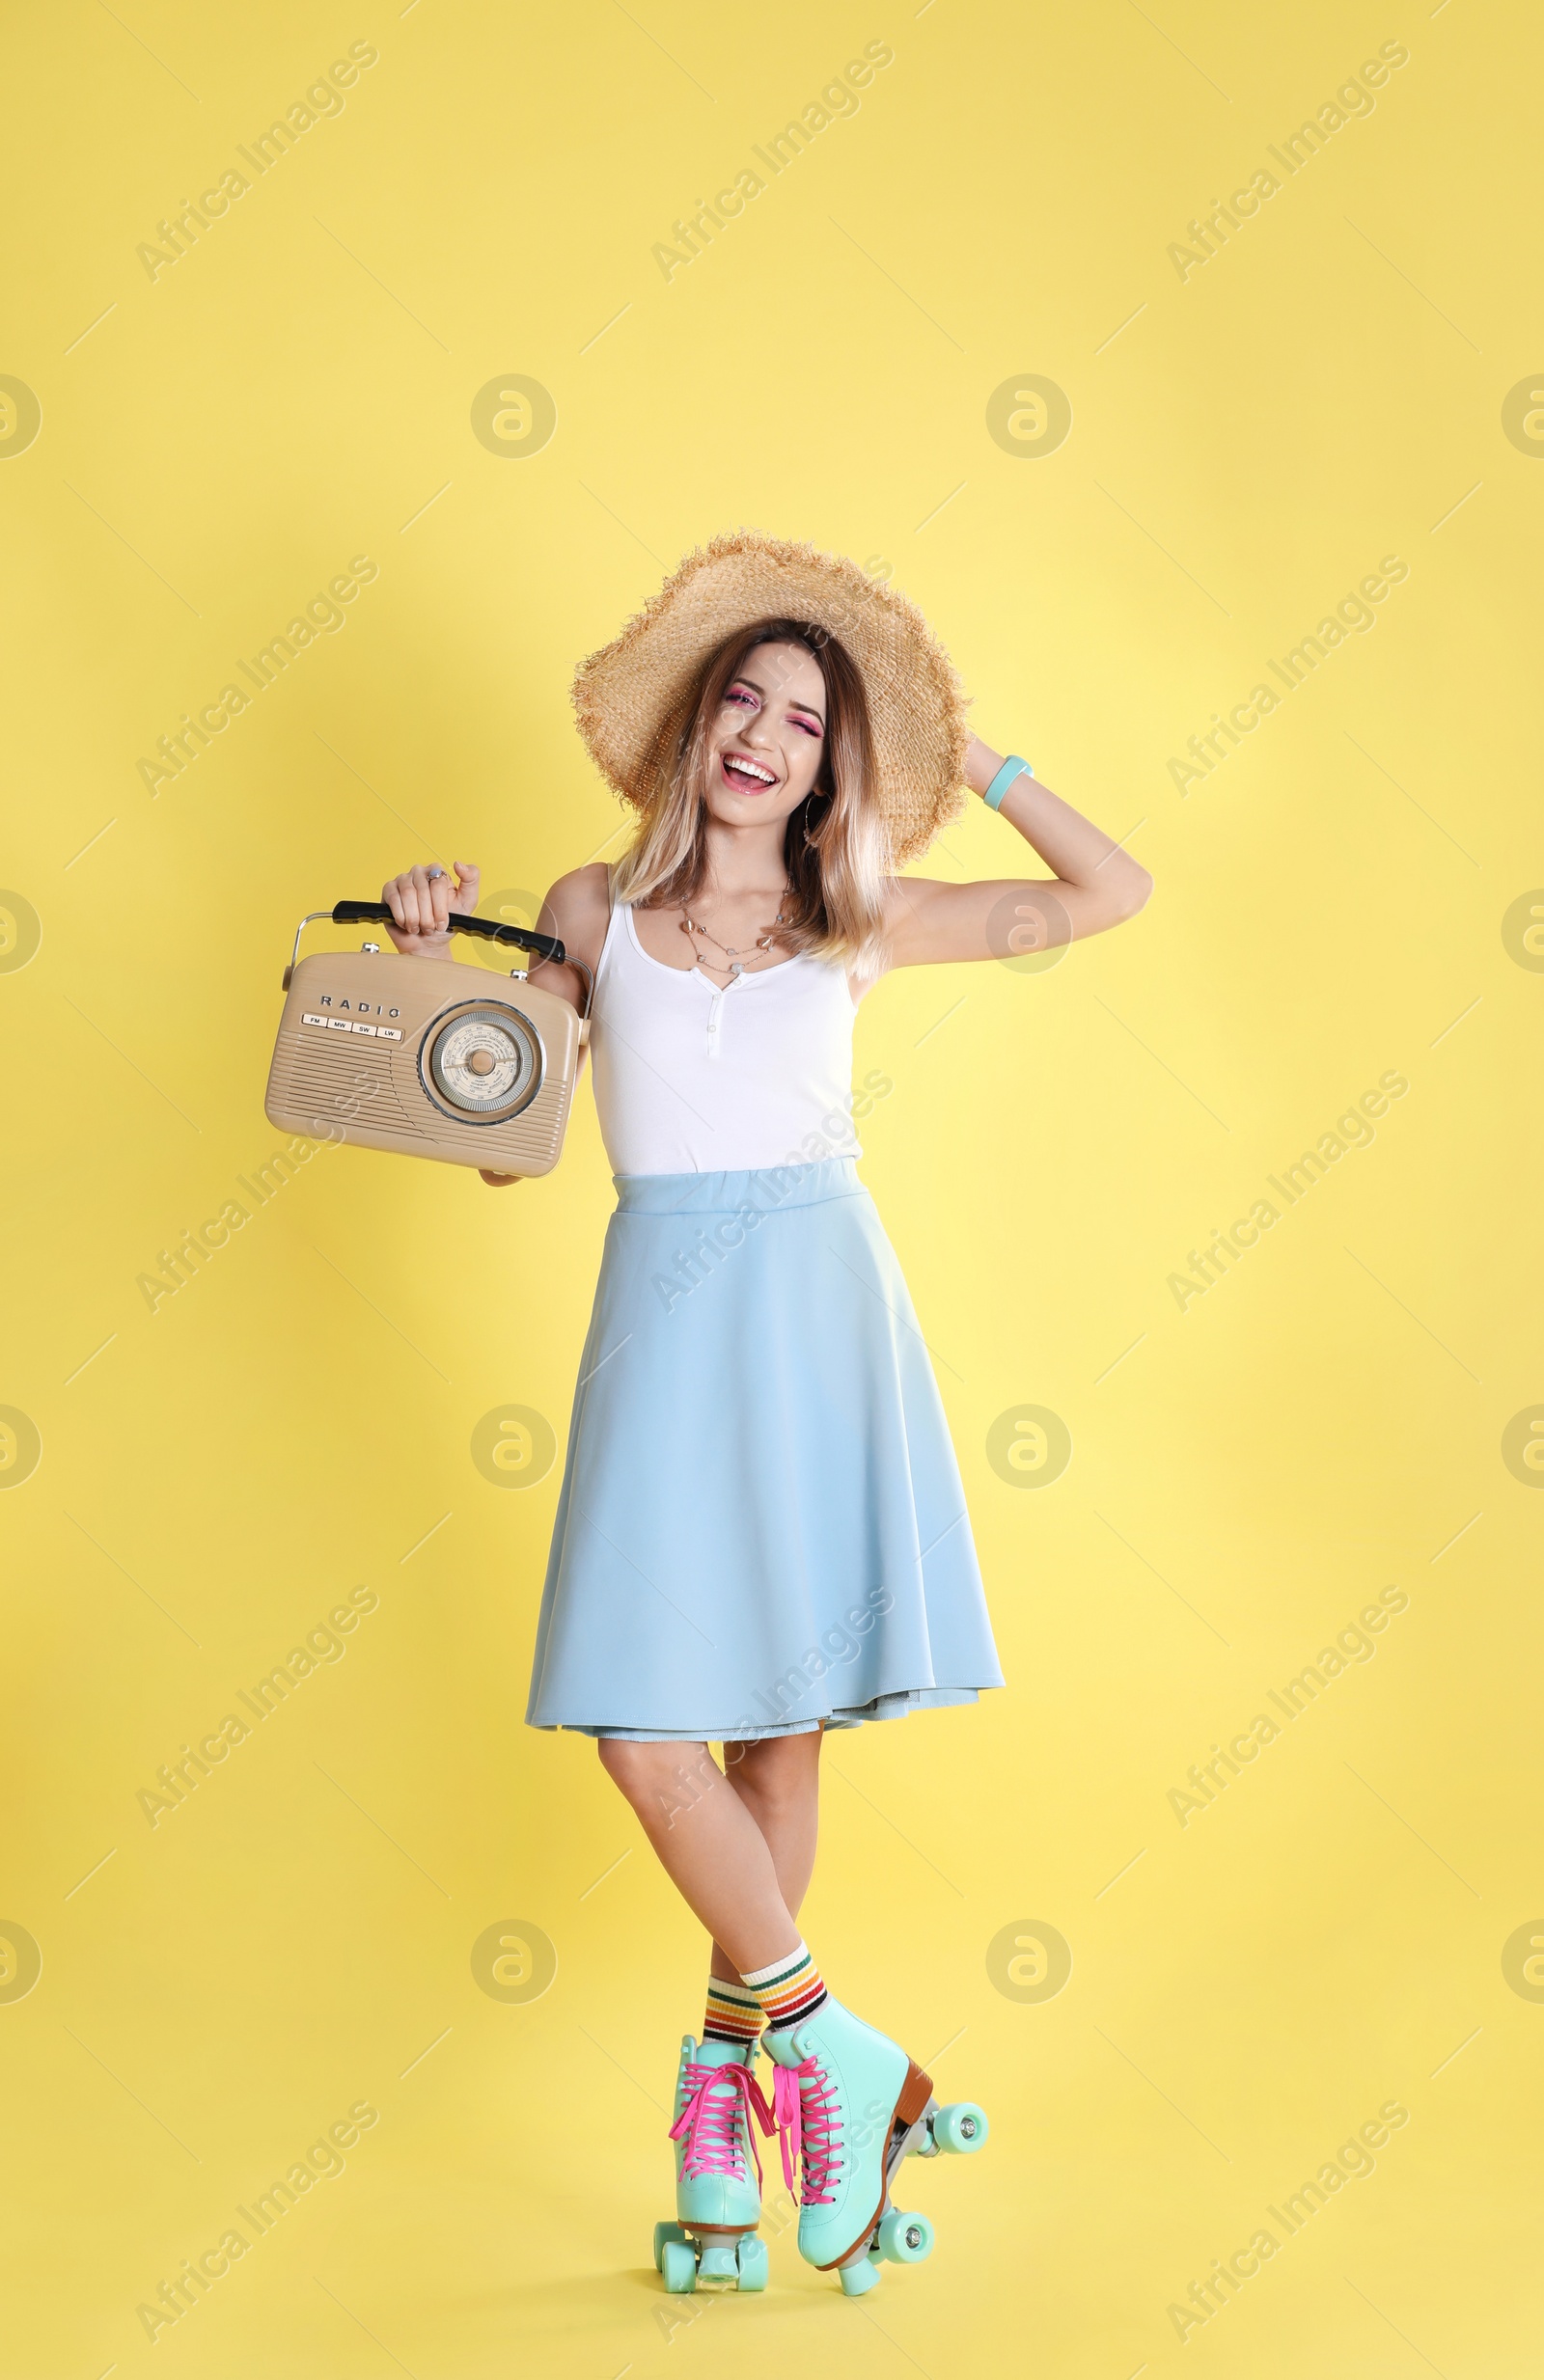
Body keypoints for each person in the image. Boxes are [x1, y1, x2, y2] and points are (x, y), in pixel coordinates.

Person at [380, 533, 1151, 2296]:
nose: (766, 736)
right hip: (662, 1328)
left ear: (830, 766)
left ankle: (719, 2127)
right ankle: (837, 2051)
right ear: (696, 725)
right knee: (647, 1740)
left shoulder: (857, 915)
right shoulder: (589, 911)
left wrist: (987, 760)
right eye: (744, 699)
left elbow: (1109, 894)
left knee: (777, 1734)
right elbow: (507, 1146)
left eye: (806, 721)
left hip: (820, 1320)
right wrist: (440, 963)